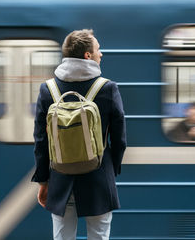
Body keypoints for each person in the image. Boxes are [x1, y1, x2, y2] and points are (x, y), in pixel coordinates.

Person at [31, 29, 126, 240]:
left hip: (61, 179)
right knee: (99, 236)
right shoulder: (107, 89)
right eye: (98, 50)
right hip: (98, 178)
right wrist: (112, 168)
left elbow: (41, 141)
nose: (101, 54)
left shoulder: (48, 90)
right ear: (87, 55)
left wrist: (43, 181)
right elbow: (119, 139)